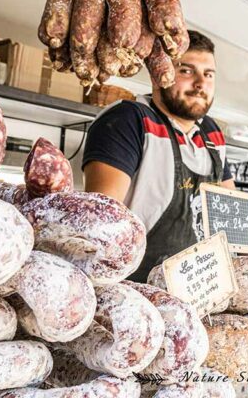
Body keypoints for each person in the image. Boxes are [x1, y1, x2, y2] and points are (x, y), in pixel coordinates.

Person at [83, 30, 235, 282]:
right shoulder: (128, 119)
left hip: (203, 283)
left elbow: (233, 209)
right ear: (157, 74)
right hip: (136, 289)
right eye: (186, 70)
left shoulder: (212, 132)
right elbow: (100, 225)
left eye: (208, 74)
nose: (200, 84)